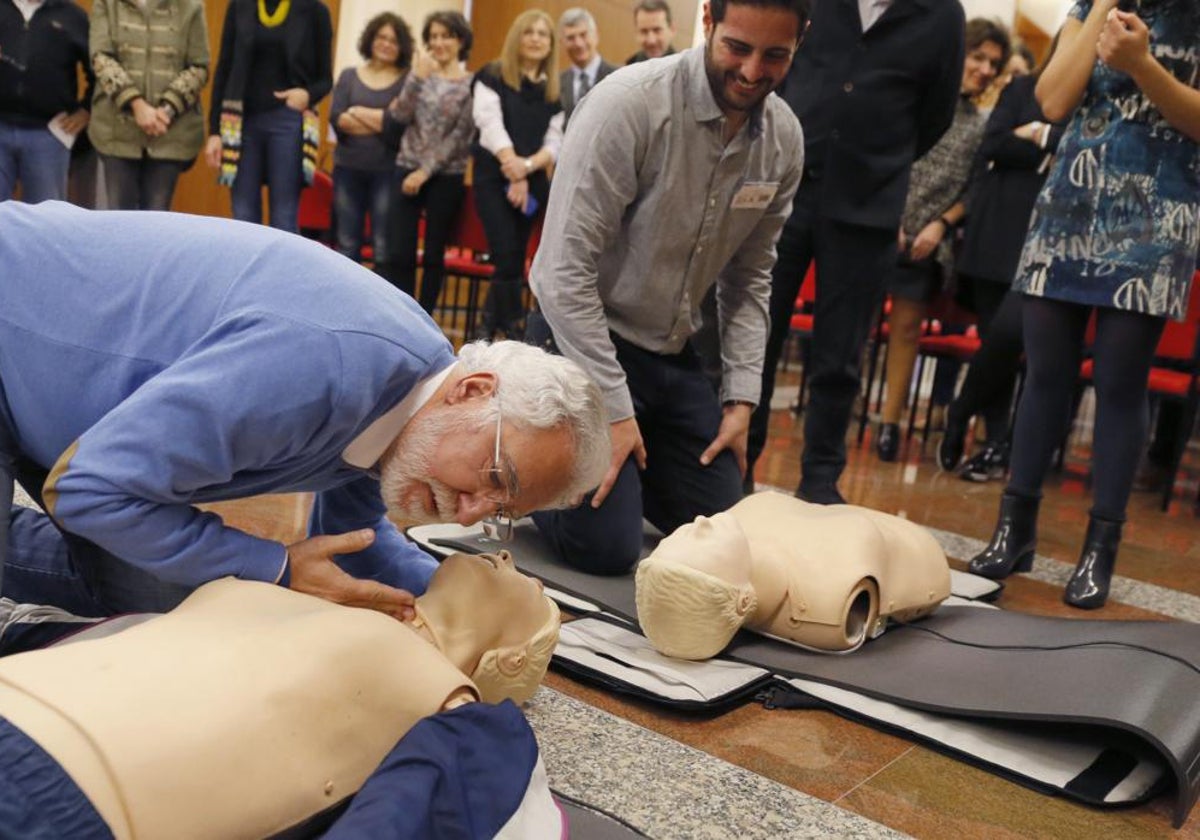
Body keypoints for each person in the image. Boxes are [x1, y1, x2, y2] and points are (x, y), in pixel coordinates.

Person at [0, 201, 610, 618]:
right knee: (216, 586)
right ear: (473, 390)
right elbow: (91, 490)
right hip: (15, 324)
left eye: (501, 513)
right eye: (495, 477)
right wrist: (277, 566)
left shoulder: (413, 388)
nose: (470, 513)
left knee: (166, 596)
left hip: (62, 398)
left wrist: (462, 593)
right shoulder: (323, 365)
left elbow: (356, 542)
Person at [527, 0, 806, 576]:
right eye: (737, 47)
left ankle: (631, 466)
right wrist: (613, 409)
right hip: (579, 346)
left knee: (730, 537)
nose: (753, 71)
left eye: (775, 55)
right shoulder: (628, 104)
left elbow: (751, 278)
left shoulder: (784, 141)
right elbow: (560, 274)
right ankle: (529, 468)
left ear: (800, 42)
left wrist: (741, 399)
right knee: (606, 550)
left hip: (671, 359)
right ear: (706, 20)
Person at [0, 555, 560, 838]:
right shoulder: (297, 594)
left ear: (512, 659)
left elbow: (405, 820)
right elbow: (108, 641)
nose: (508, 558)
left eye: (535, 587)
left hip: (65, 793)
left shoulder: (460, 715)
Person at [969, 0, 1200, 610]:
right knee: (1044, 372)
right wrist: (1099, 6)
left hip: (1158, 210)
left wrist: (1143, 64)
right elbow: (1052, 100)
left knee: (1122, 381)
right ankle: (1013, 530)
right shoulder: (1088, 6)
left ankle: (1101, 547)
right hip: (1071, 199)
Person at [744, 0, 966, 503]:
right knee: (757, 332)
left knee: (841, 353)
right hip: (788, 185)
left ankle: (821, 475)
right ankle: (741, 456)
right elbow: (785, 68)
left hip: (869, 203)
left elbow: (937, 114)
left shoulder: (943, 16)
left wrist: (878, 156)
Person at [874, 19, 1010, 463]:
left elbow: (975, 190)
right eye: (978, 57)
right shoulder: (918, 102)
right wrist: (890, 214)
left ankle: (890, 424)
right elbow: (885, 156)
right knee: (852, 324)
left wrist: (941, 225)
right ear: (959, 53)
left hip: (929, 241)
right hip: (881, 222)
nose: (986, 69)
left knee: (907, 326)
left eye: (994, 63)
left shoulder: (984, 125)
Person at [939, 62, 1066, 481]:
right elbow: (994, 145)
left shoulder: (1091, 98)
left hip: (1052, 234)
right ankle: (995, 443)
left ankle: (963, 412)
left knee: (1014, 340)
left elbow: (1071, 147)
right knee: (999, 340)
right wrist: (1041, 147)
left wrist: (1036, 133)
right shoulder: (1022, 88)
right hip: (999, 230)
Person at [635, 492, 949, 660]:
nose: (702, 522)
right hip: (915, 549)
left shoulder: (737, 527)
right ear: (743, 601)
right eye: (700, 542)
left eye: (682, 534)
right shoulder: (826, 601)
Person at [470, 9, 563, 340]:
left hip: (534, 183)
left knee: (514, 256)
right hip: (493, 179)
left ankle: (485, 327)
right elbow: (489, 124)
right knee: (505, 251)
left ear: (551, 44)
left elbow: (554, 143)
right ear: (517, 38)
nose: (536, 38)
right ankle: (513, 327)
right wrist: (514, 170)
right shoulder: (491, 75)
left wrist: (525, 170)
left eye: (543, 34)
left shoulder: (554, 91)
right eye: (529, 32)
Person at [204, 0, 333, 233]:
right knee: (243, 214)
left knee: (284, 216)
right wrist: (214, 132)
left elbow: (325, 79)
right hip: (240, 124)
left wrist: (307, 94)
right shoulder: (239, 6)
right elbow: (224, 69)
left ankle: (283, 271)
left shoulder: (315, 10)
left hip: (289, 121)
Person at [381, 10, 475, 314]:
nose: (438, 42)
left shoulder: (471, 83)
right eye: (433, 36)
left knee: (434, 255)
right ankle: (403, 316)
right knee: (399, 252)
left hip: (445, 174)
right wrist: (416, 78)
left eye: (446, 36)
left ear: (460, 41)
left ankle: (425, 319)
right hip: (406, 166)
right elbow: (398, 117)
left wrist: (425, 171)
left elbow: (460, 136)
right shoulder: (418, 75)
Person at [87, 0, 208, 211]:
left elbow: (200, 66)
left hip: (169, 132)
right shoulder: (107, 3)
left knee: (157, 223)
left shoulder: (191, 5)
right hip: (117, 132)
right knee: (119, 221)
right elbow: (100, 58)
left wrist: (166, 110)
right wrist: (137, 105)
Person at [328, 12, 410, 267]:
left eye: (394, 41)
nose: (386, 44)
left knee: (382, 247)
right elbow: (337, 119)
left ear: (402, 47)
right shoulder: (349, 76)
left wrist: (358, 113)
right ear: (371, 39)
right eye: (381, 37)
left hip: (387, 172)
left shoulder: (407, 81)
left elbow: (398, 126)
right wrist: (382, 120)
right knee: (347, 244)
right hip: (347, 169)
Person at [0, 0, 91, 203]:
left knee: (46, 218)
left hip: (49, 135)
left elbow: (97, 68)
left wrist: (87, 110)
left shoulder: (73, 16)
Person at [558, 7, 617, 126]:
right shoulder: (556, 83)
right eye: (571, 38)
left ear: (596, 35)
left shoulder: (618, 76)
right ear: (562, 42)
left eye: (583, 35)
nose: (578, 44)